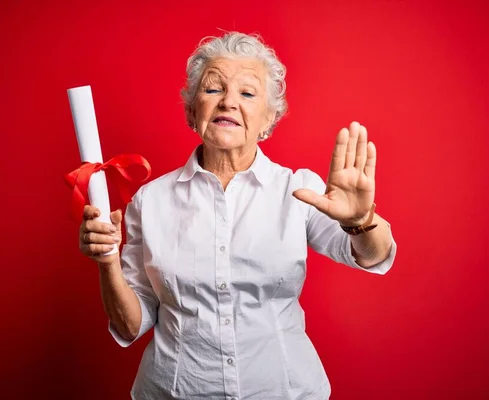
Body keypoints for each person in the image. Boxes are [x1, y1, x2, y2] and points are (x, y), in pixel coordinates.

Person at [78, 31, 396, 400]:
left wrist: (360, 221)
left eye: (247, 93)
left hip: (285, 391)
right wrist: (107, 262)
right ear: (191, 110)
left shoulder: (300, 190)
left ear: (268, 118)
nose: (229, 102)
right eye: (214, 89)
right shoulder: (150, 201)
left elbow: (372, 256)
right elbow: (130, 324)